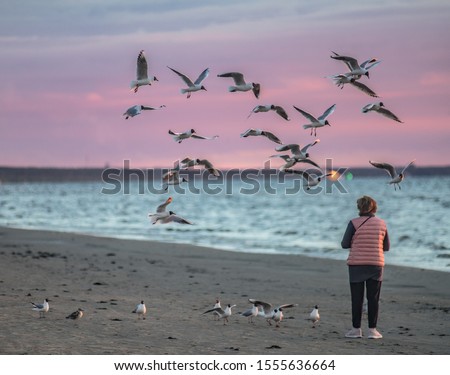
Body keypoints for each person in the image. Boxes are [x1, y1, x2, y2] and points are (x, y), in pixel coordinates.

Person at [341, 195, 390, 339]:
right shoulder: (382, 224)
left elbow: (344, 244)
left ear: (359, 208)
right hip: (376, 265)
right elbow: (386, 247)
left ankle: (356, 330)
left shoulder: (353, 223)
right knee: (373, 298)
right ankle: (372, 331)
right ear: (374, 208)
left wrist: (358, 243)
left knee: (357, 298)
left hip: (357, 265)